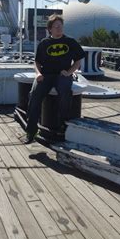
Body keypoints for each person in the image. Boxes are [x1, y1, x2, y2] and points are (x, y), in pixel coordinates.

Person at [25, 14, 85, 143]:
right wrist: (38, 74)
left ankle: (62, 126)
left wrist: (69, 72)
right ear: (50, 29)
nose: (59, 28)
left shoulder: (70, 42)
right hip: (46, 75)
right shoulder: (44, 43)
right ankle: (31, 131)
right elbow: (37, 62)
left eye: (61, 26)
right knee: (34, 95)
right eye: (56, 26)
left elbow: (78, 60)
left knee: (65, 93)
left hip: (62, 75)